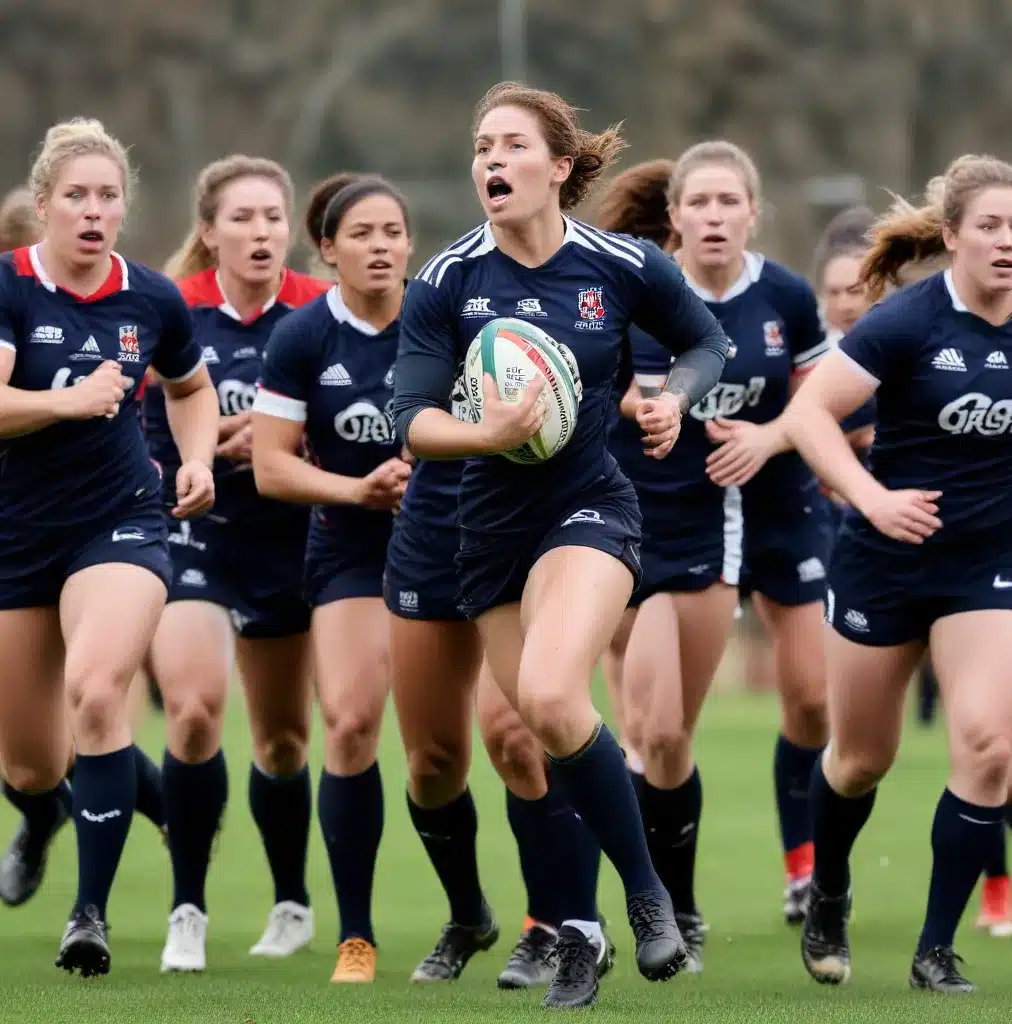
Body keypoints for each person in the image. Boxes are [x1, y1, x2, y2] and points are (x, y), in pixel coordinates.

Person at [391, 81, 729, 1008]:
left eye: (511, 144)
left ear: (560, 165)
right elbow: (409, 421)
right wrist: (486, 435)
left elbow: (707, 344)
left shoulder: (618, 265)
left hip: (589, 510)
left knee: (549, 691)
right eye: (479, 145)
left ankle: (649, 897)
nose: (490, 161)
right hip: (486, 532)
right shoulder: (449, 279)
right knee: (523, 734)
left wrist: (673, 398)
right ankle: (578, 931)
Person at [783, 154, 1012, 993]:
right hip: (884, 563)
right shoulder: (908, 323)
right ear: (952, 236)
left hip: (988, 565)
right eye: (990, 226)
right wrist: (871, 499)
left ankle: (935, 948)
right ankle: (830, 893)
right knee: (860, 758)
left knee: (989, 747)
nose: (1006, 241)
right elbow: (807, 416)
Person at [0, 118, 217, 976]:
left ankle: (87, 917)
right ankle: (68, 805)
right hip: (19, 532)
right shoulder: (11, 287)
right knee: (28, 761)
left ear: (124, 207)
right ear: (44, 204)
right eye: (76, 197)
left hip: (121, 519)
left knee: (98, 693)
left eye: (109, 197)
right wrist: (67, 401)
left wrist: (195, 456)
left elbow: (190, 388)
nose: (94, 213)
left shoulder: (154, 298)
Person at [600, 144, 832, 943]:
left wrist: (769, 439)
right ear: (675, 216)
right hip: (640, 514)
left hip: (751, 506)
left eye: (728, 202)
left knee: (801, 698)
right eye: (698, 203)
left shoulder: (787, 299)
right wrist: (647, 407)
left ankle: (794, 871)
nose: (713, 217)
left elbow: (818, 403)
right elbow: (601, 385)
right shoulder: (638, 288)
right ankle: (666, 904)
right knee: (652, 729)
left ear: (752, 212)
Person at [385, 291, 612, 991]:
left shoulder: (591, 288)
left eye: (395, 231)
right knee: (431, 762)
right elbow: (407, 427)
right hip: (434, 534)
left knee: (519, 736)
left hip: (525, 532)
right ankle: (467, 915)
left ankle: (557, 925)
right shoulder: (437, 301)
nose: (385, 247)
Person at [145, 156, 330, 972]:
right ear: (210, 231)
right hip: (195, 531)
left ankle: (291, 902)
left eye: (273, 218)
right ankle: (187, 908)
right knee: (191, 711)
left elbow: (358, 420)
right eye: (243, 219)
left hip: (291, 538)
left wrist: (286, 439)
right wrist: (193, 451)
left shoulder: (318, 312)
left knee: (285, 740)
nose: (260, 233)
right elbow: (130, 426)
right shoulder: (172, 311)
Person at [251, 173, 412, 984]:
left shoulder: (445, 323)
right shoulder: (305, 336)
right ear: (328, 251)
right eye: (362, 234)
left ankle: (521, 919)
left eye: (393, 231)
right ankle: (357, 936)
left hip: (454, 546)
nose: (380, 246)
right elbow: (272, 468)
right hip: (350, 548)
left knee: (481, 743)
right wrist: (357, 489)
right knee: (348, 722)